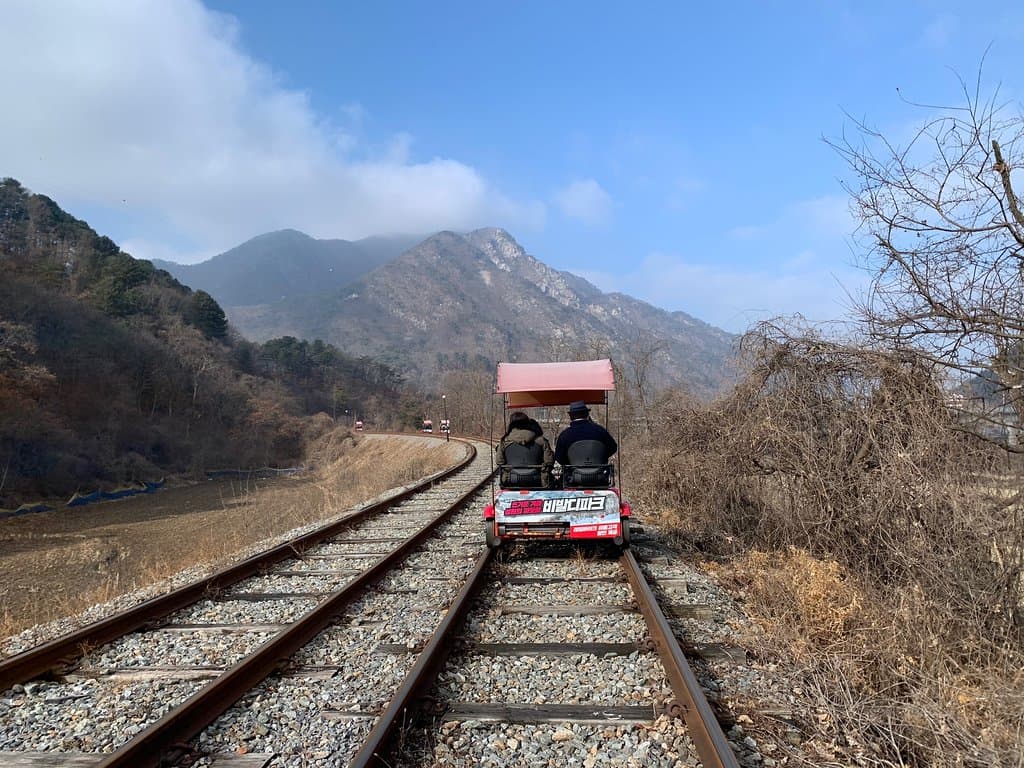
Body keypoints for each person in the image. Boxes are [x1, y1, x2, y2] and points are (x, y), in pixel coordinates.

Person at [555, 401, 617, 486]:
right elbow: (613, 448)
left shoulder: (564, 435)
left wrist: (572, 463)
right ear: (587, 414)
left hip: (574, 479)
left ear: (571, 416)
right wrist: (599, 458)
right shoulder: (600, 431)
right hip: (599, 477)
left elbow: (559, 458)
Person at [497, 411, 555, 488]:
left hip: (511, 480)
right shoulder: (541, 440)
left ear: (511, 424)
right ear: (527, 423)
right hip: (537, 480)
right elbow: (549, 461)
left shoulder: (505, 441)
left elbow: (499, 461)